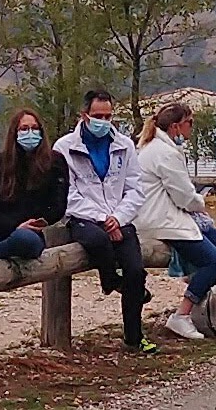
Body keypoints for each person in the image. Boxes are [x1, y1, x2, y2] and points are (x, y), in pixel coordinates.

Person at [134, 98, 216, 342]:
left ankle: (199, 293)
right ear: (176, 126)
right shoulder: (164, 153)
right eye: (189, 123)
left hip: (169, 215)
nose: (191, 128)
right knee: (213, 261)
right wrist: (200, 203)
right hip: (161, 220)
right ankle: (182, 314)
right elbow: (184, 196)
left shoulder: (157, 147)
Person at [54, 92, 155, 354]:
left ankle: (134, 337)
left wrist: (117, 218)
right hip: (84, 218)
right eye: (97, 116)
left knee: (135, 271)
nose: (103, 121)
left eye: (108, 116)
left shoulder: (124, 145)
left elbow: (135, 189)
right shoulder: (64, 148)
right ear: (84, 115)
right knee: (97, 241)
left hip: (119, 217)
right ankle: (110, 281)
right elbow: (67, 194)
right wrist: (101, 219)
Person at [0, 104, 64, 356]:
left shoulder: (54, 163)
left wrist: (39, 222)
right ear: (15, 133)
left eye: (34, 128)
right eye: (24, 129)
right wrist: (13, 224)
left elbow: (58, 206)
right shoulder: (1, 163)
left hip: (31, 235)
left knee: (24, 240)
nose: (29, 133)